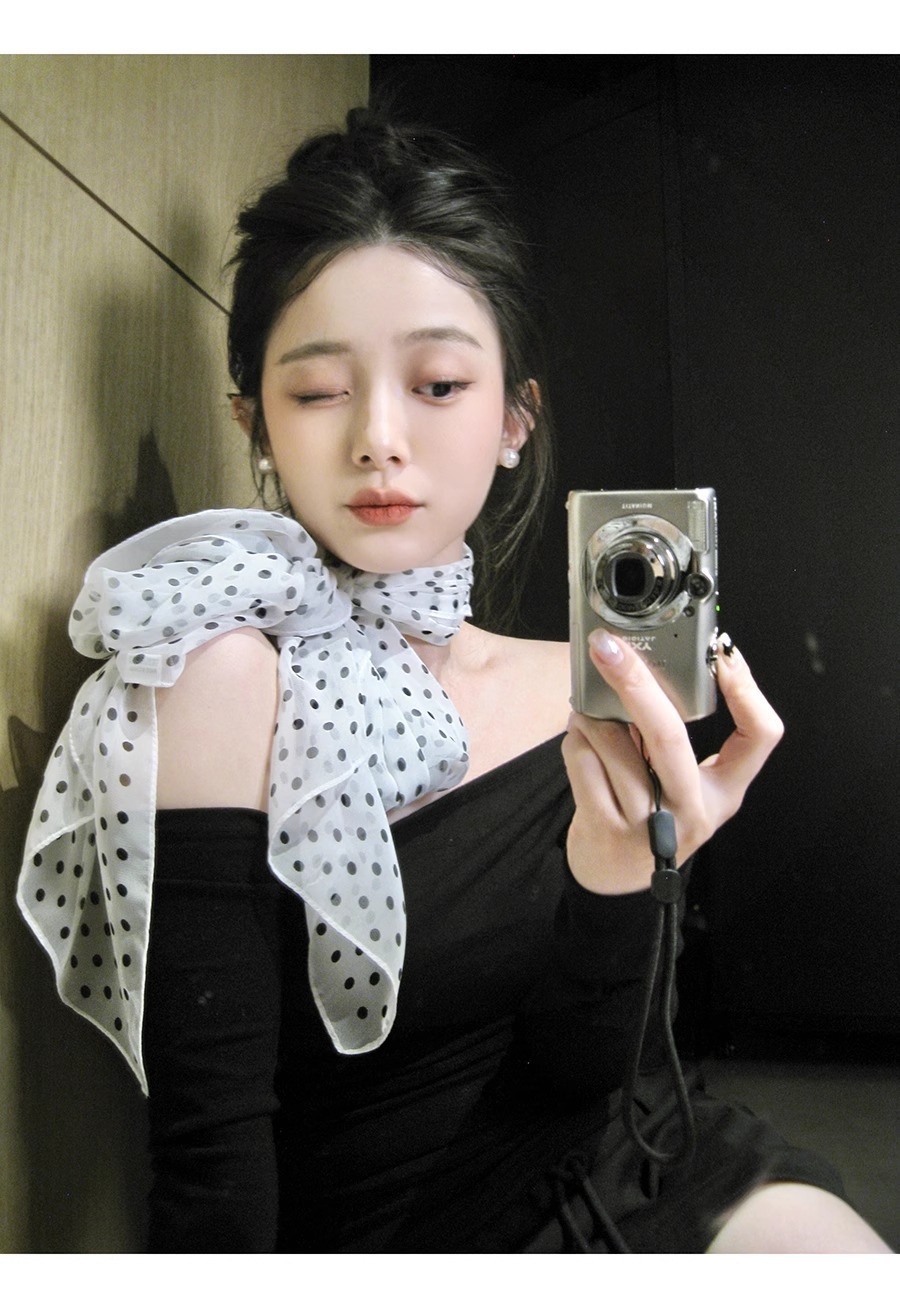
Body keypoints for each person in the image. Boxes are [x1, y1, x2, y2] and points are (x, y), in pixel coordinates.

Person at [18, 108, 890, 1254]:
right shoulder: (223, 673)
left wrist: (621, 875)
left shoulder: (586, 690)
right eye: (318, 391)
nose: (379, 437)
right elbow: (209, 1153)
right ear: (253, 424)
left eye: (437, 384)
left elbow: (591, 1075)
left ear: (515, 419)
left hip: (636, 1169)